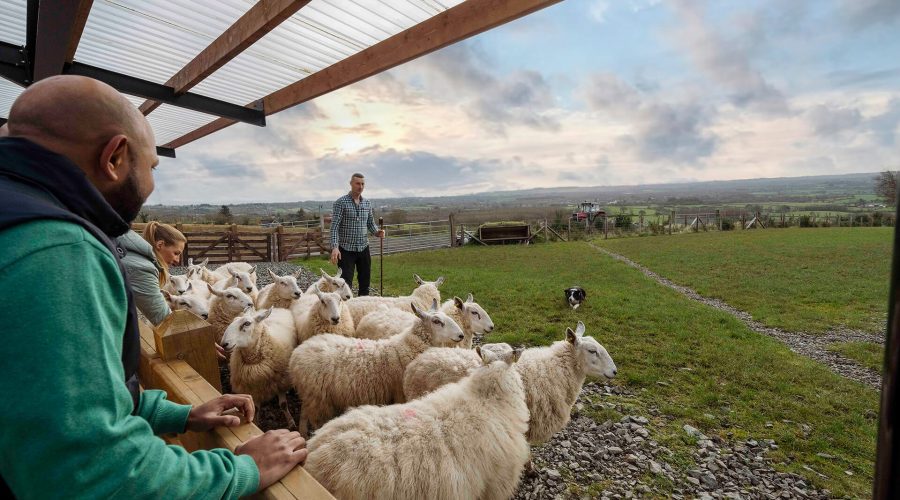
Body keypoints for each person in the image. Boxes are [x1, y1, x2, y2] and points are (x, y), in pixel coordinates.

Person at [0, 75, 306, 498]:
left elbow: (46, 402)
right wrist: (238, 469)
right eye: (151, 167)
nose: (152, 184)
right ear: (115, 158)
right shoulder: (56, 250)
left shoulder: (16, 215)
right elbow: (93, 470)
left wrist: (176, 415)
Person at [119, 221, 186, 326]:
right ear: (160, 245)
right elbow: (164, 319)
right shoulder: (142, 268)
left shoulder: (131, 251)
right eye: (176, 253)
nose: (178, 260)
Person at [329, 173, 385, 295]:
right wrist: (335, 247)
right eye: (358, 183)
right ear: (351, 184)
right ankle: (346, 310)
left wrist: (377, 232)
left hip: (364, 248)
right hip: (346, 250)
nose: (360, 186)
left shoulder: (367, 203)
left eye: (362, 184)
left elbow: (370, 224)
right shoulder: (341, 202)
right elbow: (334, 227)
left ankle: (362, 308)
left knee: (365, 282)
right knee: (345, 284)